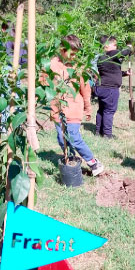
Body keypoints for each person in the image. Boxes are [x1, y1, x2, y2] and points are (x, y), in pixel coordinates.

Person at [50, 34, 104, 176]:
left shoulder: (79, 68)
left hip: (73, 108)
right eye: (71, 53)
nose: (74, 57)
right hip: (57, 109)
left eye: (76, 54)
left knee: (74, 137)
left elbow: (85, 90)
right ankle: (72, 161)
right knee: (62, 139)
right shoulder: (51, 65)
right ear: (62, 49)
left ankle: (93, 162)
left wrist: (88, 107)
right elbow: (43, 83)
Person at [93, 36, 133, 138]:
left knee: (102, 110)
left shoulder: (102, 57)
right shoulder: (113, 54)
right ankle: (107, 134)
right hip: (110, 89)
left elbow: (111, 70)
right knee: (109, 111)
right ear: (106, 46)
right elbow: (123, 52)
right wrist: (129, 47)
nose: (116, 47)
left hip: (101, 87)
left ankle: (98, 131)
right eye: (114, 44)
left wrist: (125, 73)